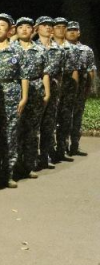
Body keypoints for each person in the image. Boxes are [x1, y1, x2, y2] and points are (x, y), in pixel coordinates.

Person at [0, 13, 28, 189]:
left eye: (2, 25)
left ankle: (9, 173)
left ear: (10, 30)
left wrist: (24, 97)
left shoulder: (17, 50)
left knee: (10, 134)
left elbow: (24, 75)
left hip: (12, 93)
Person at [13, 17, 50, 180]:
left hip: (35, 91)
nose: (24, 30)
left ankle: (29, 165)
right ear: (16, 30)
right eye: (20, 27)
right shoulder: (11, 49)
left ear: (33, 30)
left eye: (28, 27)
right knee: (15, 130)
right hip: (15, 92)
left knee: (32, 131)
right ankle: (14, 165)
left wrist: (47, 92)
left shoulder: (40, 50)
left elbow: (45, 72)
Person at [35, 16, 65, 169]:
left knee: (48, 124)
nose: (48, 27)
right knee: (33, 125)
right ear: (37, 28)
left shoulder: (59, 49)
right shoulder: (32, 47)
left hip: (53, 90)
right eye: (44, 25)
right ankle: (31, 158)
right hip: (35, 89)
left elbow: (60, 73)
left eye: (50, 25)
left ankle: (45, 156)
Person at [51, 17, 80, 163]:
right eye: (58, 27)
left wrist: (75, 90)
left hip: (67, 88)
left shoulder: (72, 48)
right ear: (52, 29)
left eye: (64, 27)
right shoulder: (47, 46)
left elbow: (75, 70)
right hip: (52, 87)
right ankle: (49, 152)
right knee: (50, 122)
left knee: (65, 121)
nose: (61, 29)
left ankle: (62, 150)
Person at [66, 21, 96, 156]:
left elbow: (91, 70)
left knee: (77, 118)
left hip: (80, 90)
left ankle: (75, 146)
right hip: (65, 90)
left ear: (79, 33)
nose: (72, 32)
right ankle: (62, 148)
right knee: (63, 119)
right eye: (69, 30)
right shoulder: (61, 48)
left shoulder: (86, 50)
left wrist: (88, 88)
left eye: (75, 30)